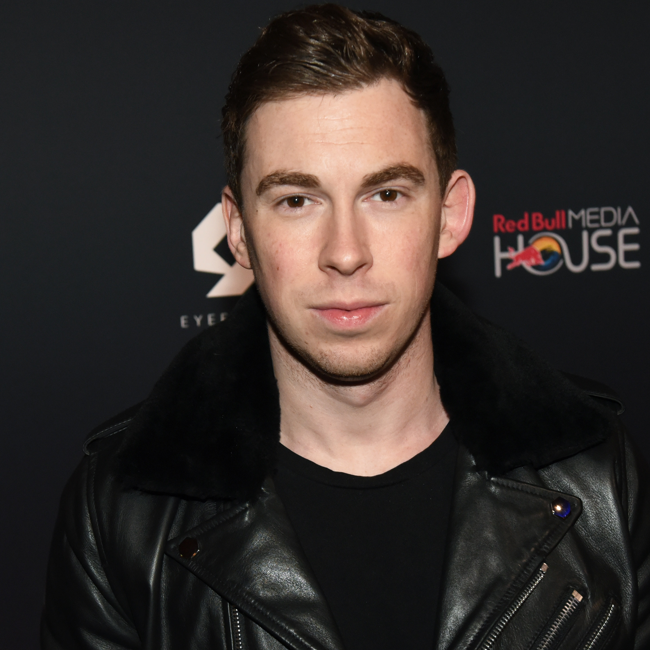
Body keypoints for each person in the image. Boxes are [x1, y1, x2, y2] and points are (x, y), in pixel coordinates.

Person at [42, 5, 650, 649]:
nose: (346, 252)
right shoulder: (119, 512)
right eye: (296, 201)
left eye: (385, 194)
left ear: (450, 215)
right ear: (238, 231)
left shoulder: (596, 473)